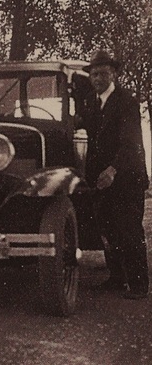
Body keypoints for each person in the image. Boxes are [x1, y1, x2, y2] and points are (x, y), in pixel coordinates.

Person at [81, 50, 149, 299]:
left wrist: (113, 169)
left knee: (129, 230)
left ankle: (140, 285)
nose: (97, 78)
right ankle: (117, 278)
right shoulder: (91, 102)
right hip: (102, 179)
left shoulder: (126, 101)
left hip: (127, 177)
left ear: (114, 74)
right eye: (94, 73)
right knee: (108, 229)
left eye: (103, 73)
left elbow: (130, 142)